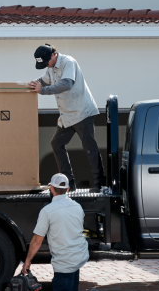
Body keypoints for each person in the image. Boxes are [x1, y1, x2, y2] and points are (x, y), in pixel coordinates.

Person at [22, 173, 116, 291]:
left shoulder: (47, 211)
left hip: (64, 263)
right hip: (79, 257)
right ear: (67, 189)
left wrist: (27, 261)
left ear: (51, 188)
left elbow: (37, 241)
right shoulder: (77, 207)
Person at [28, 44, 104, 192]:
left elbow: (67, 83)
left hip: (82, 112)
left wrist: (42, 91)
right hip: (67, 116)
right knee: (56, 143)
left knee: (89, 148)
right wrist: (30, 85)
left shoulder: (68, 62)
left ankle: (99, 183)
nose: (46, 66)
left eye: (46, 62)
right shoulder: (50, 68)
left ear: (52, 55)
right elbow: (43, 80)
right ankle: (69, 183)